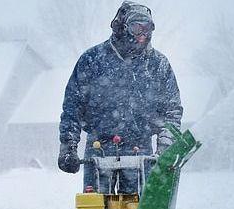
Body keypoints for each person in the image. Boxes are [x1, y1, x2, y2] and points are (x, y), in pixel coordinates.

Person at [57, 1, 183, 196]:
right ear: (122, 27)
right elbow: (73, 106)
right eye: (136, 27)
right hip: (99, 149)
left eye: (148, 28)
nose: (143, 34)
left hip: (140, 150)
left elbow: (172, 110)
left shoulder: (158, 65)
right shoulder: (92, 60)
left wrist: (165, 145)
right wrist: (68, 146)